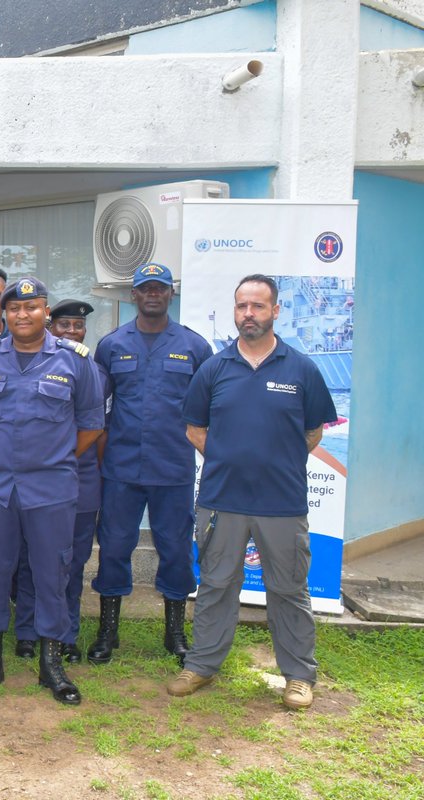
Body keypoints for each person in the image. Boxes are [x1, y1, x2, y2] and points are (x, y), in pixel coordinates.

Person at [169, 274, 336, 710]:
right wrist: (230, 460)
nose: (249, 314)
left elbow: (314, 430)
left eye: (258, 306)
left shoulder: (301, 368)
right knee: (216, 585)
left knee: (289, 590)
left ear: (276, 310)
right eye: (242, 306)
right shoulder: (214, 369)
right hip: (222, 500)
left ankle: (298, 675)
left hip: (282, 502)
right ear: (235, 310)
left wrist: (276, 461)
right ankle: (201, 665)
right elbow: (194, 428)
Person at [0, 277, 104, 705]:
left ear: (46, 312)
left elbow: (91, 425)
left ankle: (51, 663)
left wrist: (52, 455)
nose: (23, 315)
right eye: (15, 309)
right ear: (5, 313)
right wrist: (6, 453)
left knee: (51, 574)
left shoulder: (77, 362)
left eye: (33, 307)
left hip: (52, 487)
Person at [87, 263, 213, 666]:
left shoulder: (195, 347)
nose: (153, 295)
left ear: (170, 294)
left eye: (160, 288)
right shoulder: (111, 345)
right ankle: (108, 631)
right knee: (114, 547)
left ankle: (174, 633)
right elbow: (99, 408)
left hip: (172, 469)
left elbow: (207, 411)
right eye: (145, 289)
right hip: (121, 469)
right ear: (134, 296)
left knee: (175, 548)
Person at [14, 300, 107, 663]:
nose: (70, 332)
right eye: (63, 325)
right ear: (50, 326)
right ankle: (25, 629)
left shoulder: (91, 368)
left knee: (71, 560)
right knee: (29, 558)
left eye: (77, 326)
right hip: (36, 481)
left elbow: (96, 429)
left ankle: (66, 632)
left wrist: (64, 456)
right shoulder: (32, 366)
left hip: (79, 479)